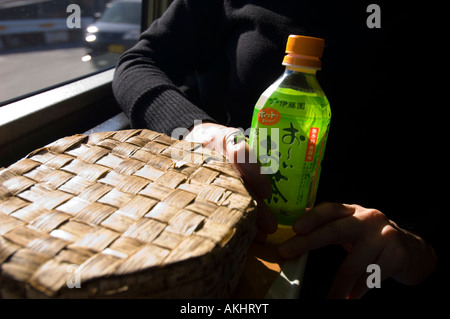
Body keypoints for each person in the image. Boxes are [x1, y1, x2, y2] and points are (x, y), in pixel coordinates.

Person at [113, 0, 442, 299]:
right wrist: (196, 128)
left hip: (364, 268)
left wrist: (418, 251)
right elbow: (138, 63)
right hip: (231, 239)